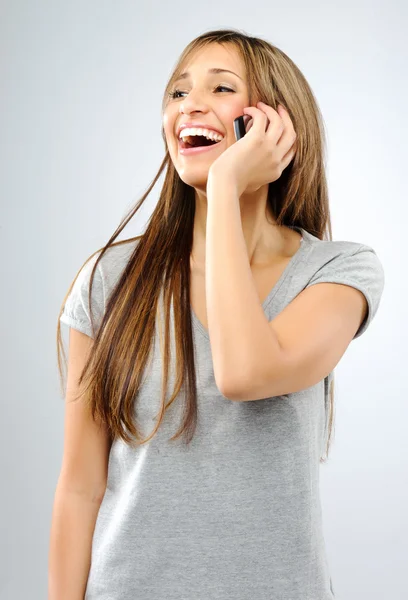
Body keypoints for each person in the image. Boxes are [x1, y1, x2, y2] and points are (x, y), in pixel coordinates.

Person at [49, 28, 385, 600]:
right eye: (178, 93)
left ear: (274, 126)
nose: (189, 106)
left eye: (220, 88)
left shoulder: (340, 273)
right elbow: (80, 489)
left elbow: (245, 372)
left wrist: (226, 188)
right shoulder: (108, 281)